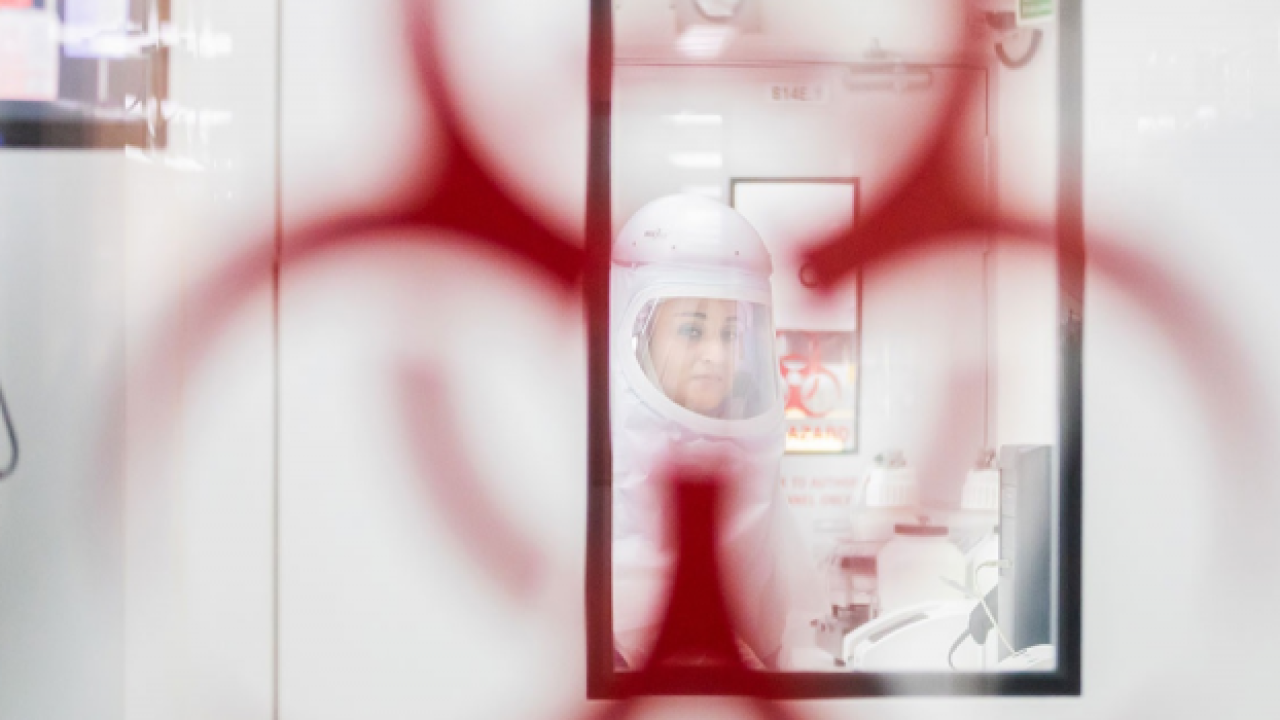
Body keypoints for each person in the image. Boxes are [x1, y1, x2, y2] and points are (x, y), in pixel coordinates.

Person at [610, 194, 808, 669]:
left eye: (729, 333)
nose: (717, 356)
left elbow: (771, 627)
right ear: (639, 335)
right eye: (692, 331)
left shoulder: (752, 456)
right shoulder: (596, 472)